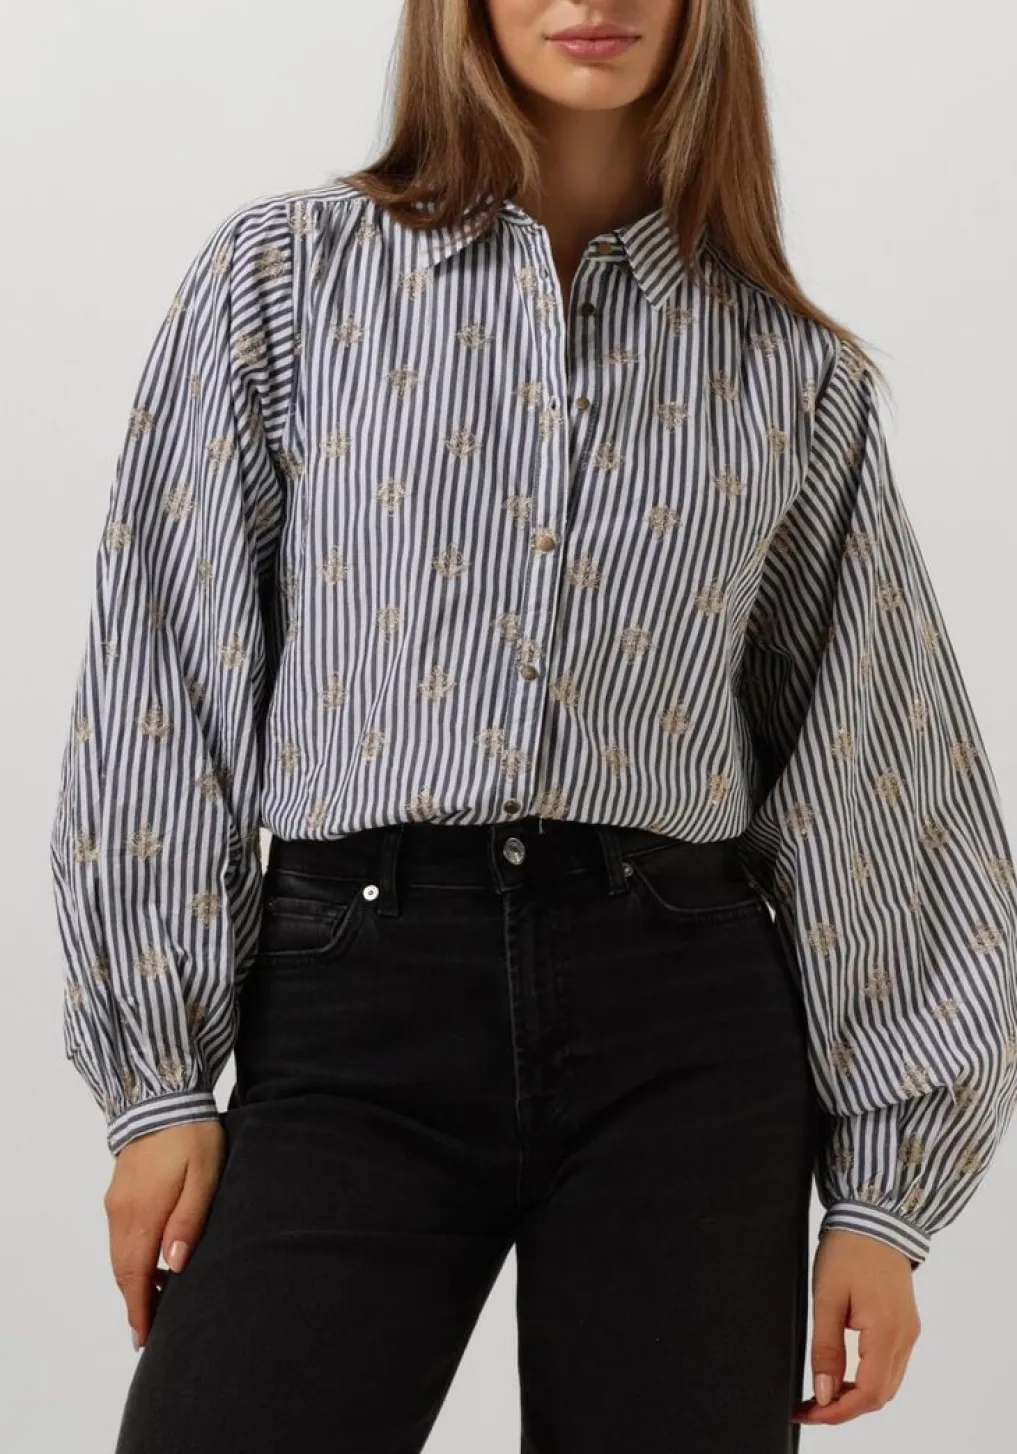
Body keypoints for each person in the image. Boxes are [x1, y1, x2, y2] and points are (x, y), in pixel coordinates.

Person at [48, 2, 1017, 1450]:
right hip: (356, 1010)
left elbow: (875, 759)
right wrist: (159, 1086)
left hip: (685, 1035)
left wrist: (885, 1201)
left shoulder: (787, 367)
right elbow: (162, 670)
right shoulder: (287, 279)